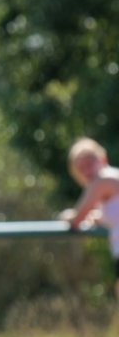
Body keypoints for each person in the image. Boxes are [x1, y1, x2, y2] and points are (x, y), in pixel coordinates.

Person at [61, 137, 119, 319]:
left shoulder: (101, 180)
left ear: (102, 159)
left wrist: (67, 215)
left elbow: (77, 220)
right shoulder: (112, 178)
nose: (86, 171)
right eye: (81, 167)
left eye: (89, 163)